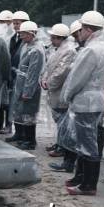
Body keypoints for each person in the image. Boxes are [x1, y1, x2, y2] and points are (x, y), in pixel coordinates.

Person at [61, 11, 104, 196]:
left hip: (85, 100)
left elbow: (77, 78)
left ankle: (88, 185)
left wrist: (66, 96)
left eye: (81, 28)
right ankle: (81, 178)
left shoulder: (91, 50)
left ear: (89, 30)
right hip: (97, 98)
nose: (79, 32)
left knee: (86, 143)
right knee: (88, 141)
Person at [40, 24, 77, 169]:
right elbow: (50, 68)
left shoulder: (68, 52)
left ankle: (62, 147)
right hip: (54, 90)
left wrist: (48, 83)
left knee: (63, 122)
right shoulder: (58, 50)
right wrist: (44, 79)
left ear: (60, 38)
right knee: (59, 121)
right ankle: (60, 143)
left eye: (53, 37)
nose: (51, 39)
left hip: (59, 91)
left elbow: (61, 72)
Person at [10, 21, 45, 150]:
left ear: (31, 34)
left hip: (30, 87)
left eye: (23, 34)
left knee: (29, 115)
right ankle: (23, 137)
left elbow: (33, 74)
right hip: (22, 84)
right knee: (22, 113)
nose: (21, 37)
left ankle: (30, 141)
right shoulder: (27, 46)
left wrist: (27, 92)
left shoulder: (36, 50)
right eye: (20, 34)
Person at [5, 11, 31, 139]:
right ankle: (18, 132)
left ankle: (26, 135)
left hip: (24, 78)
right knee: (14, 106)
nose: (15, 26)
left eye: (18, 23)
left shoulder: (29, 42)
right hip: (14, 75)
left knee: (24, 108)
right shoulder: (13, 38)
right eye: (14, 23)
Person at [0, 10, 14, 133]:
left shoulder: (13, 36)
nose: (1, 24)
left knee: (9, 101)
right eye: (0, 22)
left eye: (4, 22)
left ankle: (8, 124)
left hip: (10, 71)